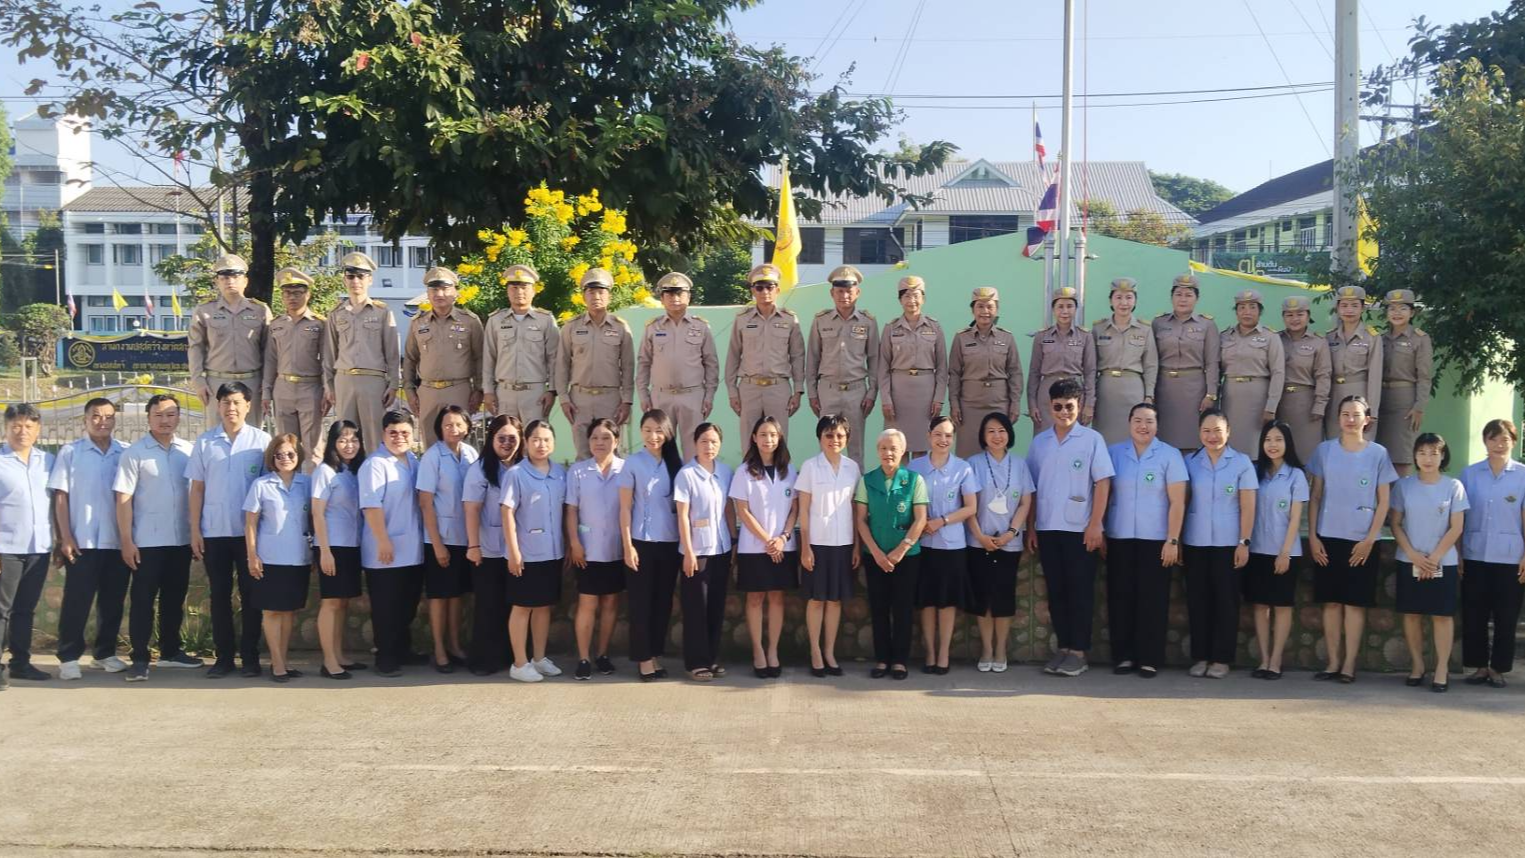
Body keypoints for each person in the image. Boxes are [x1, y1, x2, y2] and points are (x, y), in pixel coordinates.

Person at [1025, 378, 1113, 677]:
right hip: (1048, 528)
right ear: (1050, 407)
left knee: (1080, 592)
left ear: (1079, 406)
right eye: (1058, 407)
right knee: (1058, 592)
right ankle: (1064, 648)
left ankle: (1079, 651)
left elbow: (1103, 482)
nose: (1064, 412)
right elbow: (1032, 489)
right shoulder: (1040, 443)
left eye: (1070, 407)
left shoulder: (1091, 440)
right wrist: (1032, 527)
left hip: (1080, 530)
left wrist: (1096, 524)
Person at [1307, 395, 1397, 683]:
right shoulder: (1324, 451)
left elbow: (1384, 501)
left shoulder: (1378, 454)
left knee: (1354, 604)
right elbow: (1316, 496)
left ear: (1367, 419)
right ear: (1338, 418)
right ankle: (1332, 662)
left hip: (1362, 540)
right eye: (1345, 413)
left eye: (1356, 414)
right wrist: (1313, 536)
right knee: (1331, 603)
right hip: (1328, 537)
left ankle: (1348, 665)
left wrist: (1370, 540)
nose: (1350, 419)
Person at [188, 381, 271, 677]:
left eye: (237, 402)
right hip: (215, 532)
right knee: (219, 596)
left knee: (252, 597)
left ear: (249, 405)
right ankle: (223, 658)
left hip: (250, 537)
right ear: (217, 406)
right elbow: (197, 489)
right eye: (225, 402)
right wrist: (195, 530)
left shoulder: (262, 442)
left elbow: (269, 490)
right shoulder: (206, 442)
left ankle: (250, 657)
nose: (231, 408)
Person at [113, 394, 197, 683]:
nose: (165, 420)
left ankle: (171, 652)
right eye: (159, 415)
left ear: (179, 418)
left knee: (174, 599)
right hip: (146, 542)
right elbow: (123, 499)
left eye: (171, 414)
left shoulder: (188, 451)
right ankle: (139, 658)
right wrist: (126, 540)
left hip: (181, 541)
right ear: (148, 418)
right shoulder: (134, 454)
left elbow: (198, 494)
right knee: (142, 601)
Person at [1103, 403, 1186, 679]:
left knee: (1153, 600)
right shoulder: (1115, 453)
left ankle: (1150, 658)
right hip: (1120, 537)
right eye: (1138, 420)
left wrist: (1172, 540)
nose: (1143, 426)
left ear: (1157, 425)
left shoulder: (1170, 455)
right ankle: (1124, 656)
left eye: (1149, 421)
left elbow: (1177, 502)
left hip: (1156, 540)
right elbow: (1104, 496)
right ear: (1129, 423)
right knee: (1120, 598)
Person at [51, 397, 130, 680]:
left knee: (113, 601)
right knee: (77, 600)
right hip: (82, 541)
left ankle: (104, 653)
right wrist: (66, 537)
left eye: (108, 417)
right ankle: (69, 656)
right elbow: (61, 496)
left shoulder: (125, 452)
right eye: (96, 416)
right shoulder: (71, 452)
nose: (102, 422)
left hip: (115, 541)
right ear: (85, 419)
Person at [1183, 410, 1257, 679]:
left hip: (1229, 543)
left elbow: (1248, 506)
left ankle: (1221, 659)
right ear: (1199, 433)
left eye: (1217, 430)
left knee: (1226, 603)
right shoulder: (1190, 462)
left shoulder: (1241, 463)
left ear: (1229, 432)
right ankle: (1201, 656)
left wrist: (1244, 542)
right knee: (1198, 601)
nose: (1212, 436)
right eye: (1206, 431)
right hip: (1196, 542)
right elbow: (1182, 502)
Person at [1390, 433, 1465, 692]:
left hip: (1442, 561)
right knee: (1412, 614)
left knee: (1442, 616)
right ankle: (1418, 665)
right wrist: (1412, 554)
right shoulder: (1404, 486)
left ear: (1443, 455)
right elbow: (1395, 523)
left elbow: (1456, 527)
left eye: (1434, 452)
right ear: (1415, 456)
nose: (1428, 458)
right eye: (1422, 452)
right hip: (1409, 558)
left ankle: (1441, 669)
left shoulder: (1453, 486)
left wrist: (1432, 559)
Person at [854, 428, 928, 681]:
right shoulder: (867, 480)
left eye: (893, 448)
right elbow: (861, 520)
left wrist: (901, 549)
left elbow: (920, 519)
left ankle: (899, 661)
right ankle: (882, 659)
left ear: (903, 451)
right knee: (879, 608)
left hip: (906, 557)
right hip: (875, 556)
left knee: (903, 608)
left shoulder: (914, 480)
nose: (888, 453)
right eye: (884, 448)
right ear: (877, 451)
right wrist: (875, 552)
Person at [966, 412, 1036, 673]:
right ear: (983, 437)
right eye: (990, 431)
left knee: (1003, 598)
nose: (997, 436)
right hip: (979, 543)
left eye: (1001, 430)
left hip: (1009, 543)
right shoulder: (972, 464)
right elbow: (968, 505)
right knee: (983, 599)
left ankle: (1000, 649)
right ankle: (986, 649)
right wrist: (980, 536)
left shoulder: (1019, 464)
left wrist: (1012, 532)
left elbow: (1026, 502)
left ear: (1009, 434)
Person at [729, 416, 798, 679]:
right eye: (763, 435)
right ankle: (758, 651)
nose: (768, 440)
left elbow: (795, 508)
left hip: (783, 545)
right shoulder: (744, 471)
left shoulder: (790, 470)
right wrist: (768, 540)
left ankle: (773, 651)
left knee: (777, 597)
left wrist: (783, 536)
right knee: (756, 598)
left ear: (779, 438)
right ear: (754, 438)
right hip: (754, 547)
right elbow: (742, 512)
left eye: (773, 435)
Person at [1458, 419, 1525, 689]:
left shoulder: (1522, 475)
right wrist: (1458, 553)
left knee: (1506, 616)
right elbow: (1459, 517)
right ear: (1484, 441)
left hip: (1510, 558)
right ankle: (1479, 667)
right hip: (1474, 555)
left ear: (1513, 442)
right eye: (1493, 438)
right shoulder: (1469, 474)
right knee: (1474, 614)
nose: (1499, 444)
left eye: (1505, 439)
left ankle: (1499, 668)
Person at [908, 415, 978, 673]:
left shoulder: (963, 468)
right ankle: (930, 652)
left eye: (948, 435)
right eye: (938, 434)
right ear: (929, 436)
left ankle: (944, 654)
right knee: (926, 601)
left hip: (952, 545)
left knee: (947, 602)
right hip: (923, 543)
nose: (943, 440)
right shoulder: (915, 467)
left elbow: (971, 507)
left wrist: (943, 521)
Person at [359, 410, 426, 678]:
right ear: (383, 434)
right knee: (386, 606)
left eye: (405, 433)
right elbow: (371, 506)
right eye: (393, 432)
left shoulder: (413, 460)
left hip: (412, 547)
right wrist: (383, 540)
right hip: (384, 548)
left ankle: (402, 650)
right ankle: (385, 657)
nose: (399, 437)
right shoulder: (375, 464)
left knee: (406, 604)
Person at [795, 414, 862, 677]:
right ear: (820, 438)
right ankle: (815, 651)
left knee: (835, 601)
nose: (834, 440)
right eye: (829, 435)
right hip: (817, 544)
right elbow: (803, 510)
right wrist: (805, 547)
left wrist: (856, 547)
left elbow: (856, 510)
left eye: (840, 436)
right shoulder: (811, 467)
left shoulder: (852, 468)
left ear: (846, 439)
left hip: (844, 543)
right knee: (816, 600)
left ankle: (830, 652)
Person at [619, 409, 683, 681]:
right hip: (641, 543)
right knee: (641, 603)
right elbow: (624, 508)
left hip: (669, 543)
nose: (652, 436)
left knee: (662, 603)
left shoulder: (676, 465)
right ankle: (643, 659)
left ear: (668, 433)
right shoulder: (632, 463)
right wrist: (627, 546)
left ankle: (654, 654)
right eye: (647, 430)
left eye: (658, 430)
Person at [242, 434, 312, 682]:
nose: (285, 459)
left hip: (298, 557)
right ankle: (277, 664)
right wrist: (252, 555)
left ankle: (283, 660)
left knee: (289, 611)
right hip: (270, 557)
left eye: (290, 454)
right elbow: (250, 522)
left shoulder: (307, 483)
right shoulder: (261, 485)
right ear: (272, 458)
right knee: (272, 612)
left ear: (298, 456)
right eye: (279, 455)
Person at [501, 420, 567, 682]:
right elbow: (507, 511)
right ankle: (519, 663)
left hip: (552, 552)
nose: (542, 445)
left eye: (547, 440)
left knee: (543, 606)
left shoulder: (560, 472)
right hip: (526, 553)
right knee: (522, 606)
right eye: (536, 440)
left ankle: (539, 659)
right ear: (526, 443)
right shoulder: (516, 474)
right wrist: (514, 551)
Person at [416, 405, 479, 673]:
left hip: (466, 538)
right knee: (440, 597)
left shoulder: (471, 454)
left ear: (467, 426)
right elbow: (425, 502)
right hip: (440, 539)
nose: (453, 429)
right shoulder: (433, 457)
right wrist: (438, 544)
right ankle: (439, 650)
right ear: (439, 429)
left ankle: (454, 645)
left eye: (458, 424)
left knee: (457, 596)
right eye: (447, 425)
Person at [1244, 421, 1308, 681]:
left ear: (1288, 443)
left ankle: (1276, 660)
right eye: (1268, 439)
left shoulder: (1296, 475)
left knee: (1281, 606)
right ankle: (1263, 658)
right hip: (1257, 548)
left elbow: (1295, 518)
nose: (1272, 444)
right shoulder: (1254, 471)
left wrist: (1284, 552)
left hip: (1285, 551)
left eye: (1278, 439)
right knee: (1260, 606)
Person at [565, 419, 627, 680]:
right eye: (594, 438)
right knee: (587, 603)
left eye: (606, 438)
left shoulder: (627, 469)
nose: (600, 443)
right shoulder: (578, 471)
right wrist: (574, 543)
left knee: (611, 603)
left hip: (617, 548)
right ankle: (583, 658)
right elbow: (571, 510)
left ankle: (602, 654)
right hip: (587, 550)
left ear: (617, 441)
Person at [674, 423, 735, 681]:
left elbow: (729, 510)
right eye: (704, 442)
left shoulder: (725, 471)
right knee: (695, 608)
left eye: (713, 442)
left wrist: (733, 541)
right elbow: (683, 516)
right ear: (695, 444)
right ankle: (695, 662)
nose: (709, 447)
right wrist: (688, 553)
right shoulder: (686, 474)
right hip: (696, 551)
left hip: (721, 548)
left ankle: (711, 658)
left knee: (716, 607)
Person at [462, 415, 522, 676]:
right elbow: (472, 509)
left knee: (514, 605)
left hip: (518, 550)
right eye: (501, 438)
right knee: (488, 606)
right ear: (491, 439)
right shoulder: (480, 469)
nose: (507, 443)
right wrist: (473, 546)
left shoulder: (524, 467)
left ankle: (511, 656)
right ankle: (484, 659)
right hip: (487, 549)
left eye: (512, 438)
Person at [637, 272, 719, 460]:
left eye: (679, 293)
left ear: (688, 297)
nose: (675, 298)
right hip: (661, 395)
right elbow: (643, 363)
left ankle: (691, 487)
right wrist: (643, 394)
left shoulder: (701, 327)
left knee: (693, 448)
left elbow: (711, 364)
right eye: (669, 293)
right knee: (661, 447)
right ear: (662, 298)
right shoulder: (653, 327)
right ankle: (664, 488)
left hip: (693, 396)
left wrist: (709, 396)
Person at [324, 251, 401, 453]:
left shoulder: (382, 312)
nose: (355, 281)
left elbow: (392, 351)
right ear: (344, 279)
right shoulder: (336, 313)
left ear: (370, 279)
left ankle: (374, 480)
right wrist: (329, 384)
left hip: (373, 380)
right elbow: (329, 352)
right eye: (351, 276)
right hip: (344, 380)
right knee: (346, 437)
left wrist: (394, 383)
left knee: (375, 435)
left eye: (361, 276)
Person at [0, 404, 54, 686]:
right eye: (16, 426)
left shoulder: (47, 461)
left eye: (28, 426)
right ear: (6, 428)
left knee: (25, 609)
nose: (22, 432)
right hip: (5, 549)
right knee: (1, 609)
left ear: (38, 429)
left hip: (38, 548)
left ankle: (20, 662)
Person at [556, 268, 634, 461]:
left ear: (609, 296)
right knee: (583, 454)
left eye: (601, 292)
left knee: (610, 454)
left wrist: (627, 401)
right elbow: (562, 364)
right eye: (591, 292)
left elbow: (628, 366)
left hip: (610, 399)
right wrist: (564, 398)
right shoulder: (571, 327)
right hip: (579, 399)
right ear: (583, 296)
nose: (596, 296)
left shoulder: (620, 327)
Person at [403, 266, 484, 449]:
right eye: (434, 289)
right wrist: (409, 389)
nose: (439, 294)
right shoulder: (418, 322)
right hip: (428, 392)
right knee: (430, 446)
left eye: (445, 288)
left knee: (460, 445)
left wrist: (478, 390)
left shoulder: (470, 321)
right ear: (428, 293)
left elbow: (480, 357)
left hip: (459, 390)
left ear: (455, 292)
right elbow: (410, 358)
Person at [310, 420, 367, 680]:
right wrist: (324, 551)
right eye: (343, 440)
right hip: (331, 545)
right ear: (333, 443)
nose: (349, 445)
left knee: (342, 603)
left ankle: (340, 654)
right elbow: (318, 513)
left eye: (354, 440)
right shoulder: (325, 471)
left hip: (351, 544)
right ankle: (329, 660)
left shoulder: (354, 471)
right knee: (331, 603)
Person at [806, 266, 879, 464]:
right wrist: (812, 393)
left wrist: (872, 393)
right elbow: (812, 358)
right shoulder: (821, 320)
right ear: (832, 293)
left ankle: (856, 494)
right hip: (827, 389)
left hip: (856, 391)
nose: (844, 295)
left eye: (849, 291)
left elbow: (874, 360)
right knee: (827, 445)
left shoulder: (868, 322)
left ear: (857, 292)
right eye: (840, 291)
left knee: (855, 450)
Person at [726, 263, 805, 444]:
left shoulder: (790, 319)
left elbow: (798, 356)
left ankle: (779, 473)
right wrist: (732, 391)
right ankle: (749, 473)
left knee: (778, 441)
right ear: (753, 291)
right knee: (749, 441)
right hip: (749, 388)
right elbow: (733, 356)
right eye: (759, 287)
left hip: (778, 388)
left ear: (777, 290)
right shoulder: (742, 319)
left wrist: (798, 390)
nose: (764, 292)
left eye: (769, 287)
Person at [188, 252, 271, 422]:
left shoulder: (260, 311)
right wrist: (198, 381)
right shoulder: (204, 311)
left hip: (252, 382)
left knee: (251, 435)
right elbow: (196, 348)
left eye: (235, 276)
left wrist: (267, 384)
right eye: (224, 277)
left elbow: (269, 351)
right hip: (216, 382)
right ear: (217, 281)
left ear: (245, 281)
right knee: (217, 436)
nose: (230, 281)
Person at [261, 267, 328, 462]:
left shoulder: (319, 324)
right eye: (287, 293)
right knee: (286, 446)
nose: (292, 297)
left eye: (298, 292)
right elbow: (270, 360)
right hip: (283, 388)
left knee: (312, 447)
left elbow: (326, 360)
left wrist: (327, 390)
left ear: (308, 294)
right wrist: (266, 392)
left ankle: (312, 489)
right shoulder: (276, 324)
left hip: (311, 387)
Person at [947, 287, 1022, 460]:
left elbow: (1015, 372)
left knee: (996, 452)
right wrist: (955, 404)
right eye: (980, 306)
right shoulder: (961, 338)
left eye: (990, 306)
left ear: (996, 309)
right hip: (969, 406)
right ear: (973, 309)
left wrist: (1015, 403)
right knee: (967, 453)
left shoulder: (1006, 338)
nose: (985, 312)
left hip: (999, 403)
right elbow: (954, 374)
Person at [878, 276, 947, 458]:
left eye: (916, 295)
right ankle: (898, 486)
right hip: (898, 394)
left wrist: (938, 398)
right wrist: (885, 399)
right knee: (896, 447)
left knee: (921, 447)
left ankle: (918, 485)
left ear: (923, 298)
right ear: (900, 300)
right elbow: (883, 367)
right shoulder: (890, 328)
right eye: (907, 296)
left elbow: (942, 367)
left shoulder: (935, 327)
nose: (912, 301)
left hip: (926, 395)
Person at [483, 264, 559, 424]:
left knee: (535, 440)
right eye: (514, 287)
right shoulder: (495, 320)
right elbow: (489, 359)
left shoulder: (545, 320)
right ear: (508, 290)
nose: (519, 292)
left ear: (534, 290)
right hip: (504, 393)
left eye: (524, 287)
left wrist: (551, 390)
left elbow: (554, 359)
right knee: (506, 440)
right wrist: (488, 391)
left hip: (535, 394)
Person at [1152, 273, 1220, 450]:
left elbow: (1212, 362)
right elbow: (1151, 360)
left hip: (1194, 390)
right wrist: (1149, 392)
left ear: (1197, 298)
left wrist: (1211, 394)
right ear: (1171, 297)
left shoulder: (1207, 325)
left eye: (1189, 295)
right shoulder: (1158, 323)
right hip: (1163, 388)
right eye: (1179, 294)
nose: (1183, 299)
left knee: (1193, 440)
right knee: (1163, 440)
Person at [1090, 278, 1158, 445]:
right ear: (1111, 300)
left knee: (1133, 436)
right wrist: (1090, 396)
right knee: (1104, 438)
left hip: (1133, 389)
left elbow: (1151, 364)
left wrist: (1148, 395)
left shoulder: (1145, 329)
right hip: (1105, 390)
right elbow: (1090, 366)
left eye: (1129, 297)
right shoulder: (1099, 328)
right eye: (1118, 297)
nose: (1124, 303)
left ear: (1135, 300)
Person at [1218, 289, 1285, 455]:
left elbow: (1278, 373)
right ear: (1236, 311)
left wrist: (1271, 407)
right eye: (1242, 307)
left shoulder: (1270, 337)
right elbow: (1216, 369)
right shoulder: (1225, 336)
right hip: (1231, 397)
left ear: (1259, 311)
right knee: (1230, 443)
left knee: (1256, 446)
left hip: (1258, 398)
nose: (1246, 312)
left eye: (1252, 307)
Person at [1377, 290, 1433, 476]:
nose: (1397, 313)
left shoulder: (1420, 339)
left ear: (1412, 312)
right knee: (1379, 457)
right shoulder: (1380, 339)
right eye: (1392, 308)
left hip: (1405, 402)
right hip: (1380, 399)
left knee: (1402, 458)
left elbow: (1424, 376)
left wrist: (1419, 406)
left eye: (1402, 308)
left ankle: (1399, 503)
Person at [1027, 286, 1096, 434]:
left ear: (1076, 309)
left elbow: (1090, 372)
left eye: (1069, 306)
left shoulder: (1085, 336)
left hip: (1075, 393)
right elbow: (1034, 373)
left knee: (1075, 440)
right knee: (1045, 438)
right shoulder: (1042, 337)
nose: (1065, 311)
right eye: (1060, 306)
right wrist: (1032, 404)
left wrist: (1089, 404)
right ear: (1053, 309)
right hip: (1047, 396)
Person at [1276, 296, 1331, 465]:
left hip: (1306, 403)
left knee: (1307, 453)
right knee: (1279, 451)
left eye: (1299, 314)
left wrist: (1319, 404)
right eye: (1289, 315)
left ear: (1308, 316)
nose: (1294, 319)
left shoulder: (1318, 342)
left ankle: (1308, 490)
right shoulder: (1275, 339)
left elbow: (1323, 374)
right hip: (1279, 402)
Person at [1324, 285, 1383, 441]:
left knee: (1361, 444)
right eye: (1344, 305)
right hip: (1334, 396)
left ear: (1363, 308)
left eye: (1354, 305)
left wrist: (1372, 411)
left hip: (1360, 395)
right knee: (1335, 442)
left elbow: (1375, 377)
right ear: (1337, 308)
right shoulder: (1329, 337)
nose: (1349, 310)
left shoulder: (1372, 337)